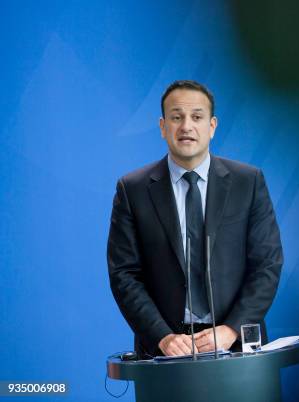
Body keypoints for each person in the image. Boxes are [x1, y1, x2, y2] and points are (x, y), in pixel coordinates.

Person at [107, 80, 283, 358]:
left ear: (212, 126)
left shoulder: (247, 182)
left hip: (237, 348)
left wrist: (232, 329)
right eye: (176, 117)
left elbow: (267, 264)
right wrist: (162, 336)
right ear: (163, 127)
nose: (186, 126)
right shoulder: (133, 190)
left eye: (197, 117)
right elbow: (124, 274)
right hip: (165, 351)